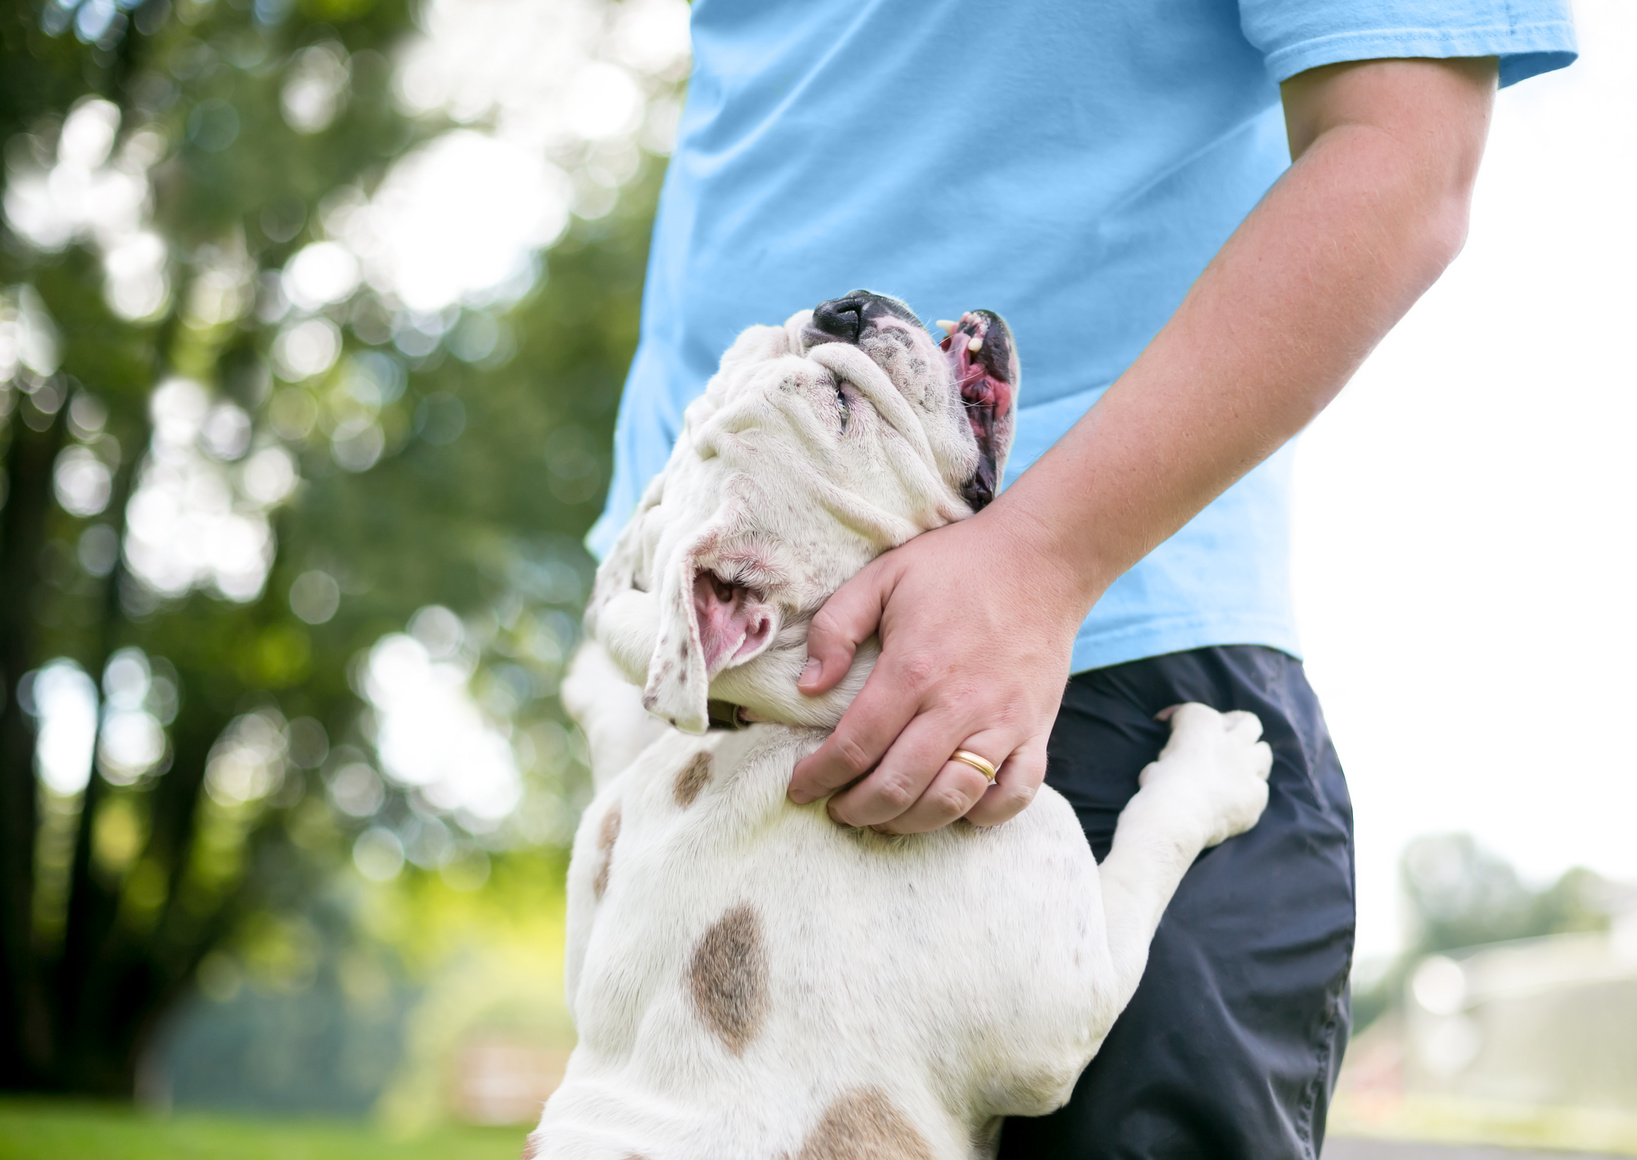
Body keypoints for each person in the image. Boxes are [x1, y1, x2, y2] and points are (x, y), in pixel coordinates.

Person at [587, 1, 1576, 1154]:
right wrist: (632, 628)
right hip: (697, 736)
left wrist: (1039, 559)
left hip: (1088, 666)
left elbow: (1403, 148)